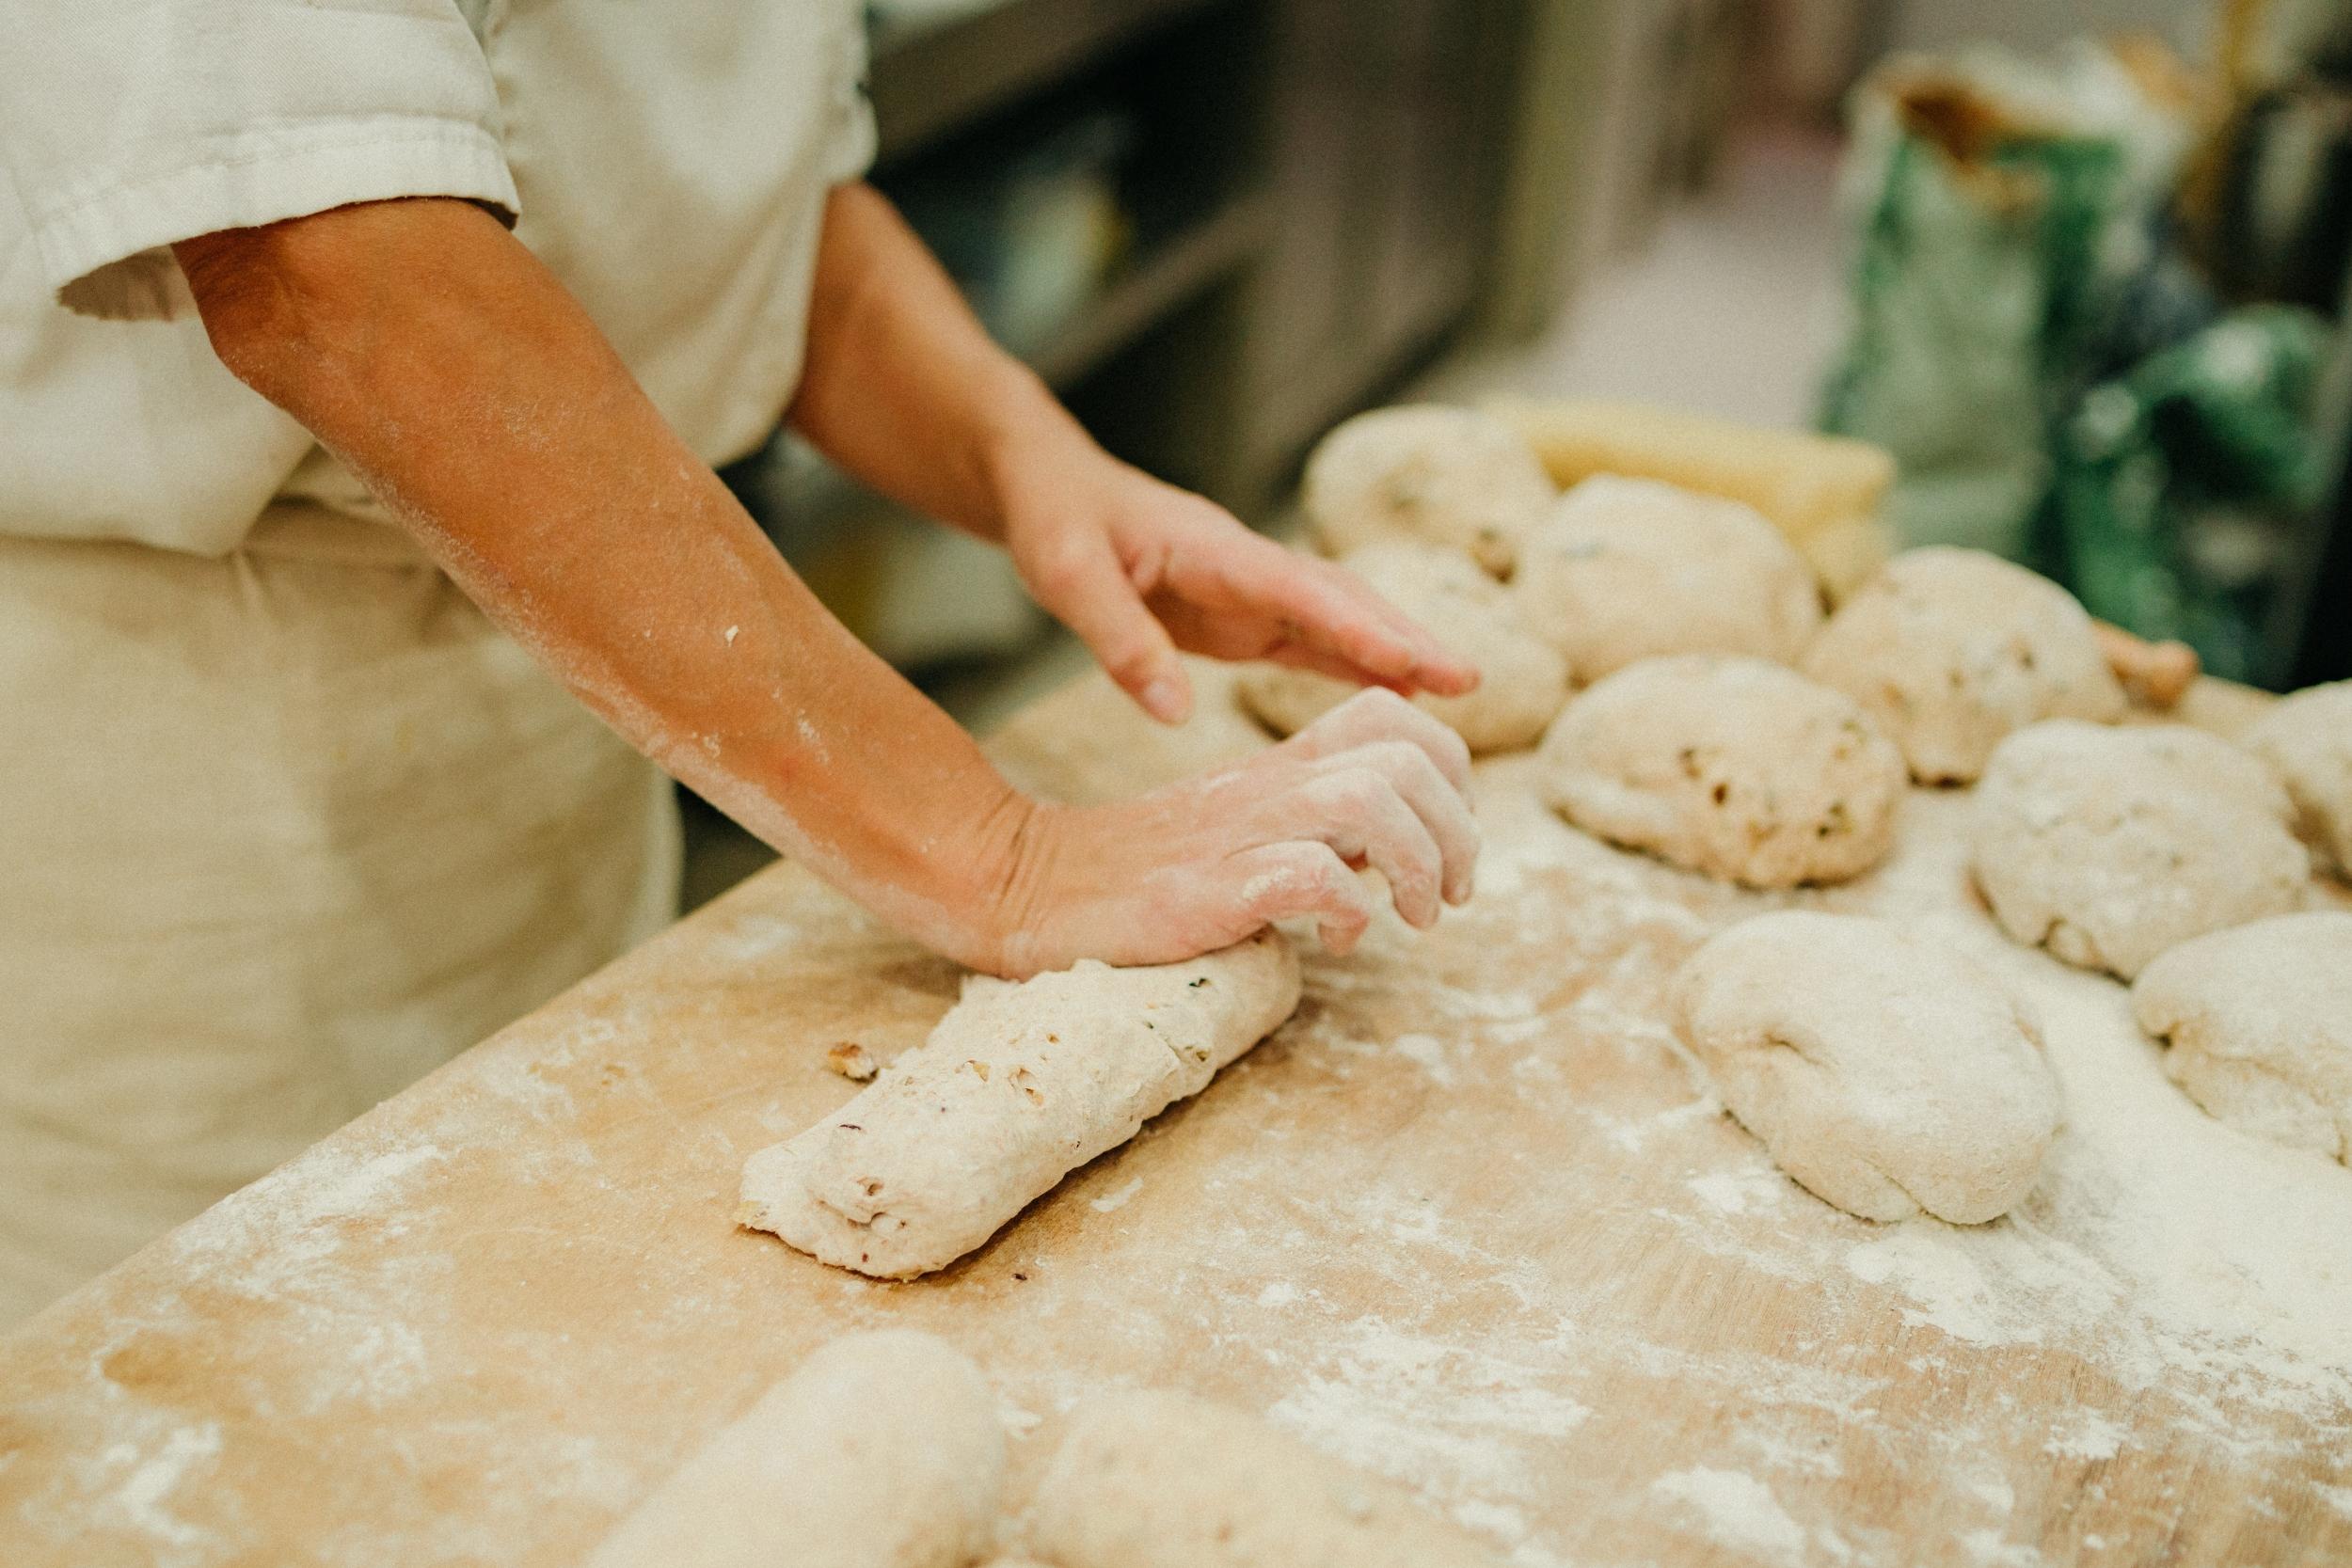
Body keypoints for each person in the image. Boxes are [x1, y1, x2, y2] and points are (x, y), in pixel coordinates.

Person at [0, 3, 1483, 1326]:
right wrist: (996, 852)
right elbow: (337, 273)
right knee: (219, 1397)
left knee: (566, 1335)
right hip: (191, 838)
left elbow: (746, 218)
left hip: (572, 706)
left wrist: (1025, 457)